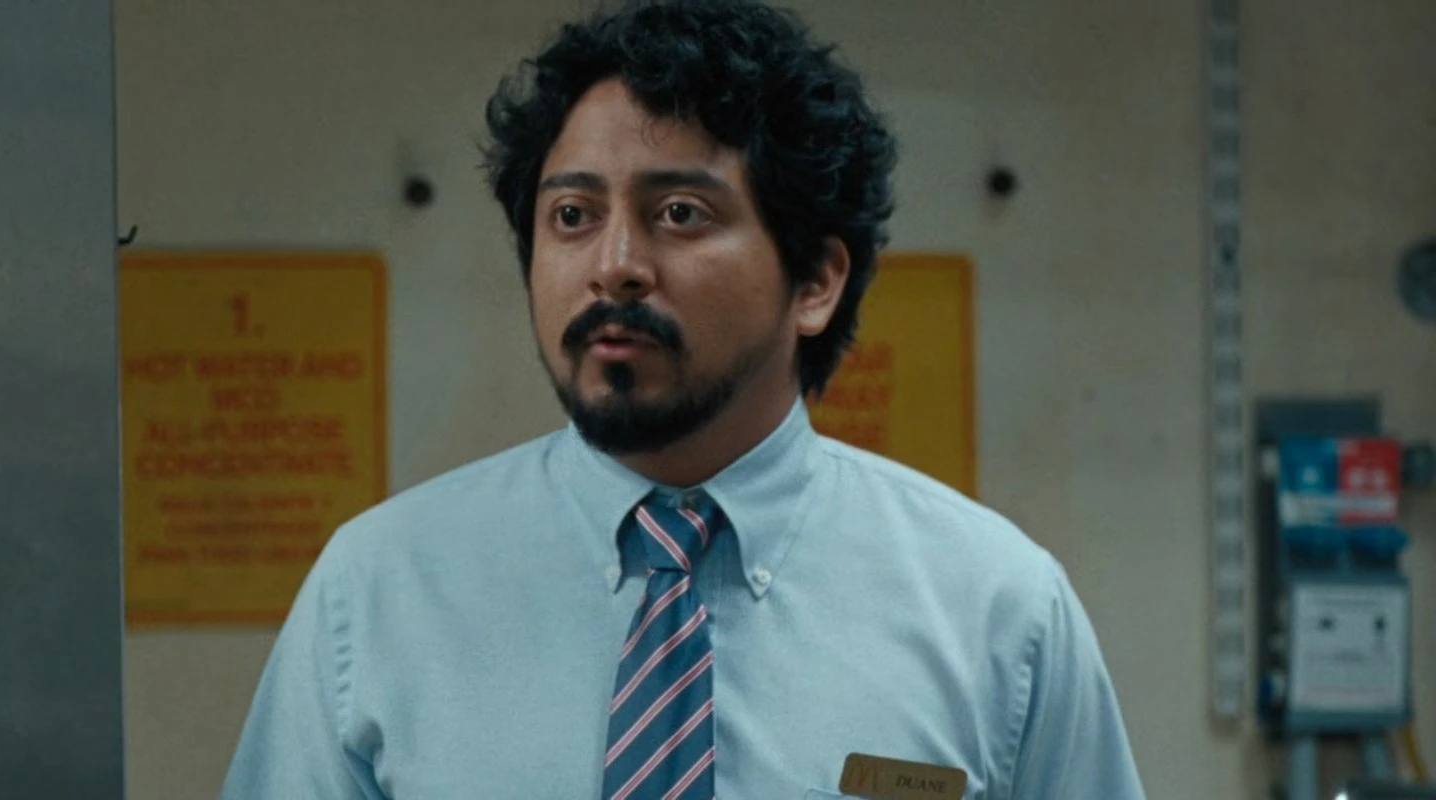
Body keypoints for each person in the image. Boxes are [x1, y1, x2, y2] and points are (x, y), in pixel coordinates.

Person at [221, 1, 1146, 798]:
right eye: (572, 216)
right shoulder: (378, 593)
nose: (615, 266)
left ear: (816, 281)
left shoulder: (994, 609)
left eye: (679, 214)